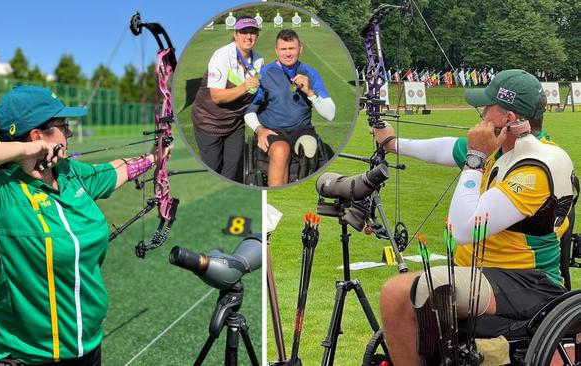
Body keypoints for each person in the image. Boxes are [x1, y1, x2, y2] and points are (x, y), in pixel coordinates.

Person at [0, 86, 166, 365]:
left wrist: (154, 157)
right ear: (37, 135)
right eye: (63, 126)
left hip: (88, 347)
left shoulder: (69, 173)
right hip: (29, 356)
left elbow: (116, 170)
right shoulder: (1, 194)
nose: (69, 134)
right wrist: (28, 152)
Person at [373, 70, 575, 365]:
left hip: (527, 282)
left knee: (397, 292)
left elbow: (465, 230)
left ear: (508, 118)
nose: (481, 112)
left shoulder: (536, 166)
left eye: (487, 107)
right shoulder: (502, 147)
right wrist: (393, 143)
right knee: (412, 301)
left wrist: (474, 161)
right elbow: (444, 147)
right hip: (484, 274)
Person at [244, 29, 335, 187]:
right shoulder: (264, 74)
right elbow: (249, 111)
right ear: (276, 50)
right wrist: (259, 130)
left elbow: (330, 114)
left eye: (291, 48)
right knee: (280, 149)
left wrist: (310, 93)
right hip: (272, 129)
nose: (287, 53)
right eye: (283, 49)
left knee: (310, 146)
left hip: (302, 128)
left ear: (300, 49)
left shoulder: (310, 73)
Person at [192, 16, 264, 183]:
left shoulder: (259, 59)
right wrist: (244, 87)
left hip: (235, 123)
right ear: (235, 34)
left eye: (252, 32)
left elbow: (256, 92)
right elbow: (217, 96)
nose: (248, 36)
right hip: (209, 122)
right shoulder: (222, 55)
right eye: (244, 32)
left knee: (232, 170)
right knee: (213, 169)